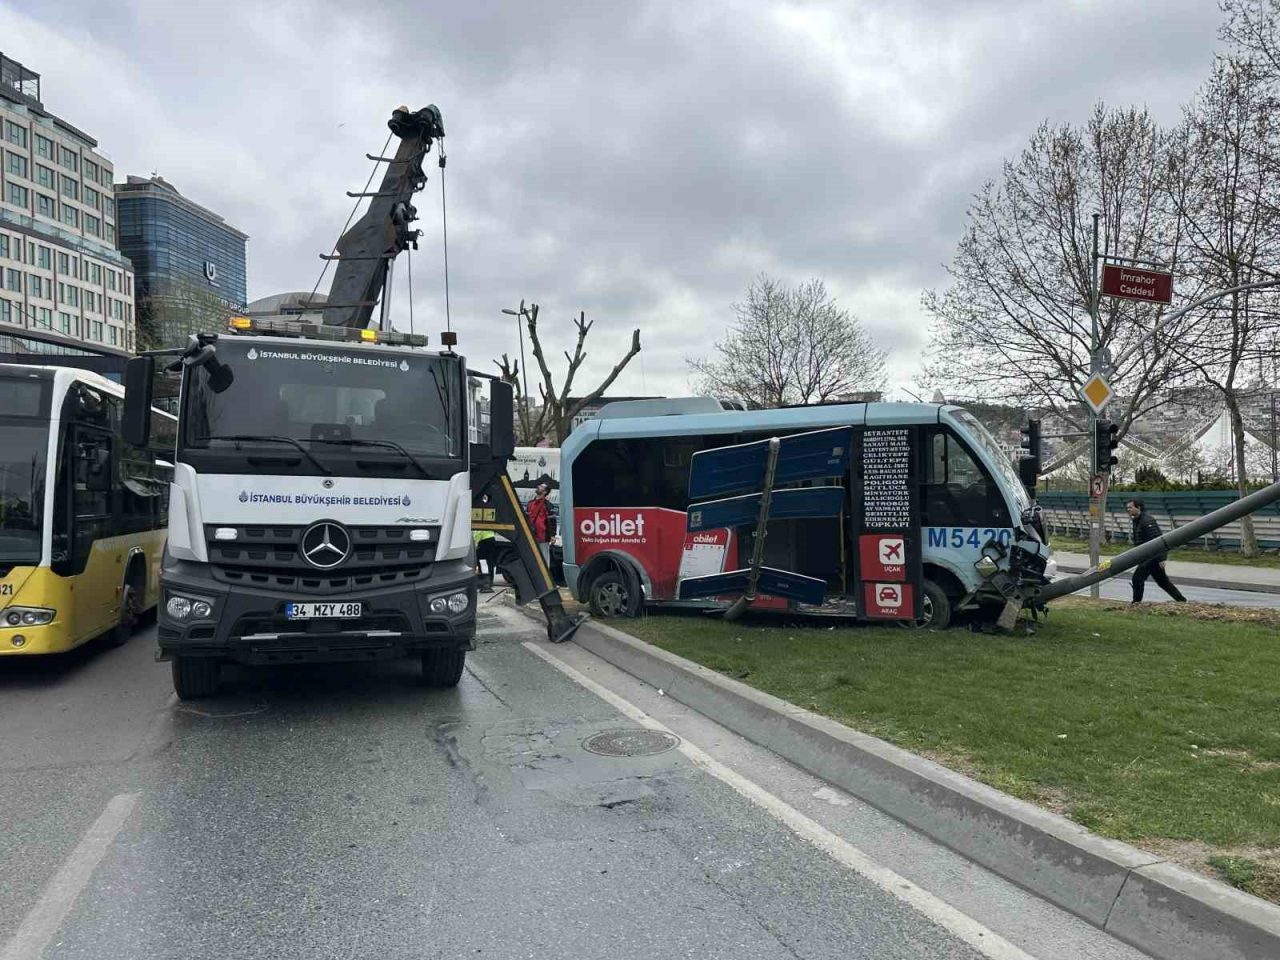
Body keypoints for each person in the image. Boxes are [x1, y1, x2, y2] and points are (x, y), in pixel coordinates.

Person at [1126, 498, 1187, 603]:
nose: (1128, 509)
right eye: (1127, 508)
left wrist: (1161, 558)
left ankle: (1136, 603)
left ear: (1138, 507)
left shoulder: (1147, 521)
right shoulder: (1137, 520)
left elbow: (1158, 540)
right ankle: (1181, 600)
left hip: (1151, 557)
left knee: (1137, 579)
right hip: (1146, 557)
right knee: (1163, 582)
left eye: (1130, 507)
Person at [526, 483, 552, 565]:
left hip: (543, 536)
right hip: (531, 535)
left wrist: (553, 535)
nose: (538, 486)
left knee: (544, 558)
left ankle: (545, 576)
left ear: (545, 492)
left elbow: (551, 521)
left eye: (541, 487)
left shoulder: (547, 505)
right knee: (531, 557)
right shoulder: (530, 503)